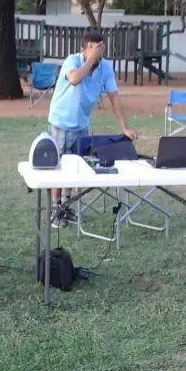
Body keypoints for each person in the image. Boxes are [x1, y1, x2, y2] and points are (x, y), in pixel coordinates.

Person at [47, 31, 138, 228]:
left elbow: (114, 97)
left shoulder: (106, 68)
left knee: (75, 167)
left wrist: (125, 127)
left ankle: (66, 205)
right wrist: (90, 59)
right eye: (93, 47)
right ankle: (55, 209)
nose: (98, 51)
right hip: (61, 122)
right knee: (59, 167)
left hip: (81, 124)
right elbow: (74, 79)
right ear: (83, 50)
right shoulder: (72, 61)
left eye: (101, 47)